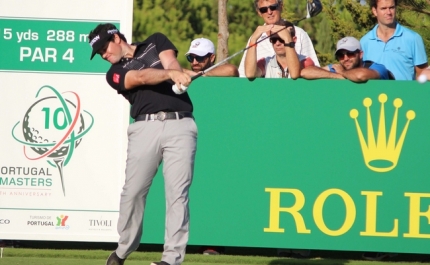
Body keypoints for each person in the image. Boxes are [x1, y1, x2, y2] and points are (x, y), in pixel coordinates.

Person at [88, 23, 197, 265]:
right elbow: (140, 77)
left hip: (180, 125)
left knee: (177, 195)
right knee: (133, 192)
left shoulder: (155, 40)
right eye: (100, 54)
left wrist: (178, 77)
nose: (104, 55)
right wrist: (171, 75)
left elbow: (171, 63)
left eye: (104, 48)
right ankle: (124, 249)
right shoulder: (114, 72)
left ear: (116, 37)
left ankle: (171, 259)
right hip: (144, 128)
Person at [183, 37, 237, 256]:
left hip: (221, 141)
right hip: (189, 137)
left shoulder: (214, 73)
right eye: (191, 58)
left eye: (200, 58)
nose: (195, 62)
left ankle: (213, 242)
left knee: (216, 190)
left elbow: (232, 70)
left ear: (211, 58)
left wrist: (201, 75)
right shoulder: (185, 76)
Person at [238, 0, 320, 77]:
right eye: (264, 9)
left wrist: (287, 38)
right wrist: (253, 40)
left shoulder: (300, 33)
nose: (269, 12)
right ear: (259, 13)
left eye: (273, 7)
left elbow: (313, 70)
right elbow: (244, 75)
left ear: (281, 6)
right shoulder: (254, 39)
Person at [360, 0, 428, 80]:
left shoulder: (413, 38)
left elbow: (422, 75)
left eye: (391, 7)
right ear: (375, 11)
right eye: (383, 8)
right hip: (375, 92)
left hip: (403, 92)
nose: (388, 12)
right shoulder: (364, 42)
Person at [301, 36, 394, 82]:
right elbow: (306, 72)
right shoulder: (337, 68)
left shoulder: (377, 67)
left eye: (350, 53)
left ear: (360, 54)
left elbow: (360, 75)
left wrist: (343, 73)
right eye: (341, 55)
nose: (345, 58)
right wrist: (337, 76)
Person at [245, 20, 310, 79]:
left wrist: (287, 39)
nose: (277, 43)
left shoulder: (304, 61)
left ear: (294, 40)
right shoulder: (265, 63)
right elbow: (250, 74)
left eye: (281, 39)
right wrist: (253, 40)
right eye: (273, 39)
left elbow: (294, 74)